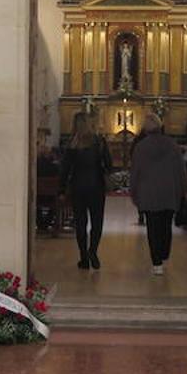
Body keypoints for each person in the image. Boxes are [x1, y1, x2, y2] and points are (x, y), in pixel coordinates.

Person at [130, 114, 187, 275]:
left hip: (148, 192)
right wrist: (184, 189)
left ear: (145, 129)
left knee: (153, 228)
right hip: (169, 191)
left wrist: (133, 191)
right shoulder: (172, 145)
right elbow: (180, 169)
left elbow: (136, 171)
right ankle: (164, 253)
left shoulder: (140, 147)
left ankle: (157, 263)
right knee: (166, 225)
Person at [60, 112, 112, 270]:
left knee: (81, 223)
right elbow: (109, 164)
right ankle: (93, 252)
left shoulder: (71, 144)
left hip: (77, 187)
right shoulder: (99, 141)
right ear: (90, 123)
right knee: (97, 222)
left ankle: (83, 257)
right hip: (96, 186)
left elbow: (65, 169)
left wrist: (61, 189)